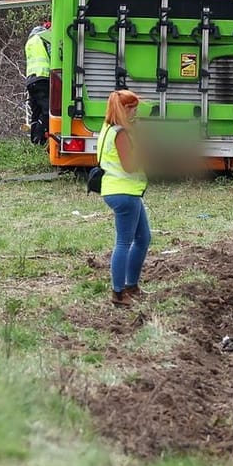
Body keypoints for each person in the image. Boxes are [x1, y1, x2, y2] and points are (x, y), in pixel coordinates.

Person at [96, 89, 149, 305]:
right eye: (134, 109)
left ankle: (131, 286)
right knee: (124, 242)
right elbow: (129, 166)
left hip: (120, 190)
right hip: (124, 192)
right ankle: (118, 293)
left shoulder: (108, 129)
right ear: (125, 109)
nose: (135, 113)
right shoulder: (120, 133)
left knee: (143, 239)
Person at [23, 17, 51, 145]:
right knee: (47, 110)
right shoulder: (44, 38)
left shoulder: (30, 42)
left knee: (36, 111)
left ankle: (34, 140)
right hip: (42, 77)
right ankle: (40, 138)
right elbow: (53, 55)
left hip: (31, 80)